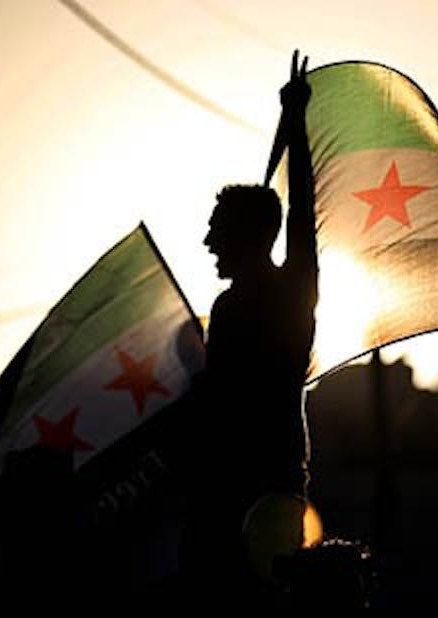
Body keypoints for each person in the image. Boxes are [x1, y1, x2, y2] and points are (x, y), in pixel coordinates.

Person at [181, 51, 317, 598]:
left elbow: (305, 206)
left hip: (266, 487)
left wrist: (296, 122)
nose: (208, 242)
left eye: (217, 230)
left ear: (246, 235)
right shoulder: (231, 306)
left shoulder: (290, 290)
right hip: (226, 489)